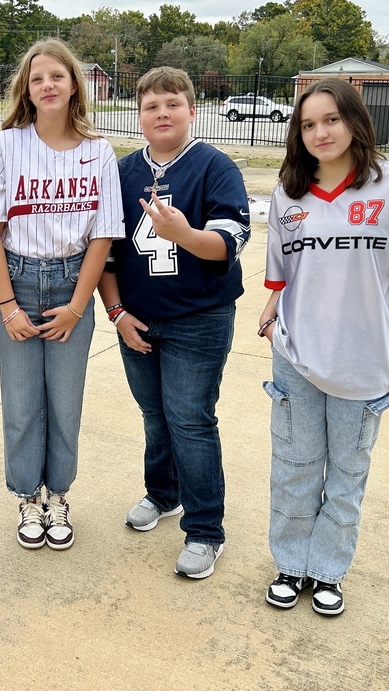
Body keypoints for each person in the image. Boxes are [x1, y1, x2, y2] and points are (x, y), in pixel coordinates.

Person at [260, 78, 389, 616]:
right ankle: (291, 563)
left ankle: (329, 570)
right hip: (296, 356)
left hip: (364, 357)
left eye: (331, 119)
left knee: (348, 473)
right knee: (294, 464)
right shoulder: (288, 193)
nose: (320, 132)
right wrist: (270, 307)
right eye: (308, 124)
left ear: (355, 120)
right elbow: (284, 272)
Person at [97, 67, 250, 579]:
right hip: (138, 317)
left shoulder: (214, 167)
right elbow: (107, 257)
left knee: (190, 418)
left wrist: (183, 233)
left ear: (191, 109)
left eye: (172, 104)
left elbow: (229, 242)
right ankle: (163, 494)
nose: (162, 113)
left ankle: (206, 530)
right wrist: (116, 313)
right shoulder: (121, 173)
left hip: (198, 318)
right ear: (138, 115)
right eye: (151, 106)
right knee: (154, 415)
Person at [0, 39, 124, 550]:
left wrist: (79, 308)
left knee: (64, 401)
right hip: (16, 279)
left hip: (70, 283)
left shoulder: (99, 151)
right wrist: (8, 304)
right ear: (27, 90)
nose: (48, 85)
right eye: (38, 79)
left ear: (74, 84)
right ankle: (27, 497)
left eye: (57, 76)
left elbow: (102, 236)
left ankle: (58, 496)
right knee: (21, 402)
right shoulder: (7, 144)